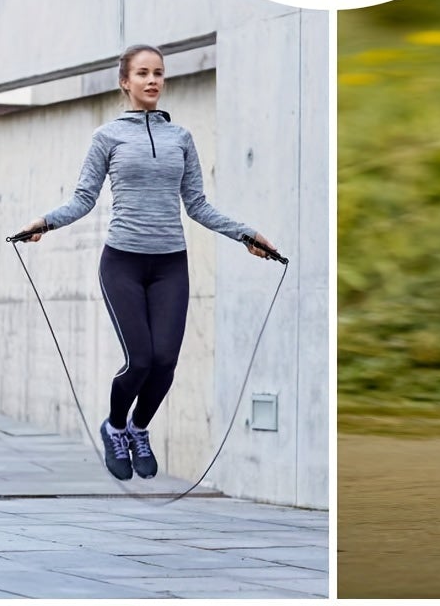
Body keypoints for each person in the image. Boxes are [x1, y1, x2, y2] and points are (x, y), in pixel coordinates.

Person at [15, 45, 279, 481]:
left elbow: (197, 205)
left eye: (158, 73)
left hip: (170, 265)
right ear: (125, 82)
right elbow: (83, 198)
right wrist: (45, 222)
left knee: (164, 362)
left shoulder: (181, 138)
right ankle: (115, 427)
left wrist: (246, 235)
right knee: (139, 361)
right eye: (142, 73)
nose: (153, 80)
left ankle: (139, 428)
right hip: (123, 263)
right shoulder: (107, 137)